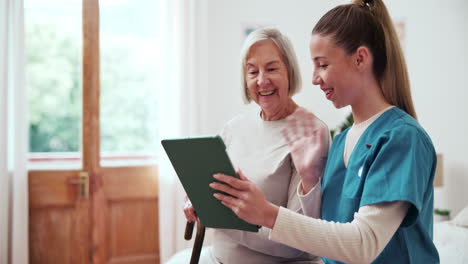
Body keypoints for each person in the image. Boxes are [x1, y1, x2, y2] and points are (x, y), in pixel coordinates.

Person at [210, 0, 440, 263]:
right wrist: (308, 179)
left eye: (322, 64)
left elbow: (362, 244)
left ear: (360, 59)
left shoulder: (401, 138)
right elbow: (322, 236)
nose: (314, 78)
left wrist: (266, 213)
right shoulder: (341, 141)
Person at [166, 28, 329, 264]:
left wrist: (217, 218)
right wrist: (197, 201)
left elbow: (297, 241)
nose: (262, 80)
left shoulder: (310, 132)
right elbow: (212, 188)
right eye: (253, 71)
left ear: (290, 72)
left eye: (272, 68)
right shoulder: (234, 128)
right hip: (218, 256)